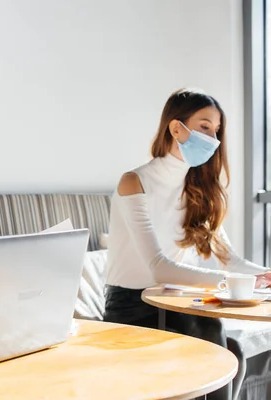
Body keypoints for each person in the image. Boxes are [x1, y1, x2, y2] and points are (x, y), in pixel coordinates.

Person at [104, 88, 271, 400]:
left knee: (230, 351)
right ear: (176, 127)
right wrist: (239, 283)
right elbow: (159, 268)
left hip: (177, 301)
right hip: (132, 306)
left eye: (217, 130)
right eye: (204, 126)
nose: (212, 138)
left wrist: (265, 274)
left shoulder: (198, 189)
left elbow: (229, 260)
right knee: (212, 339)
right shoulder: (134, 182)